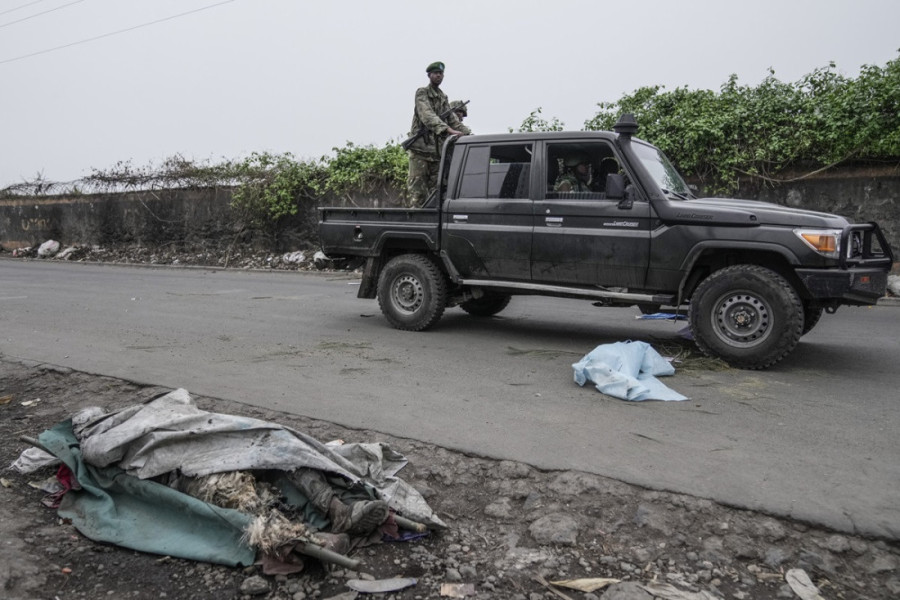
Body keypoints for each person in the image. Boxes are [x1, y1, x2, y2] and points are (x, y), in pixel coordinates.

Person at [406, 62, 471, 207]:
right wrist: (447, 129)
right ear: (429, 75)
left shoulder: (443, 97)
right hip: (420, 151)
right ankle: (416, 222)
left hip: (437, 153)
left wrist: (469, 134)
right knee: (418, 193)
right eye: (435, 73)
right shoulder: (422, 93)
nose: (438, 76)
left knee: (437, 192)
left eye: (441, 73)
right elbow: (427, 115)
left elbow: (454, 121)